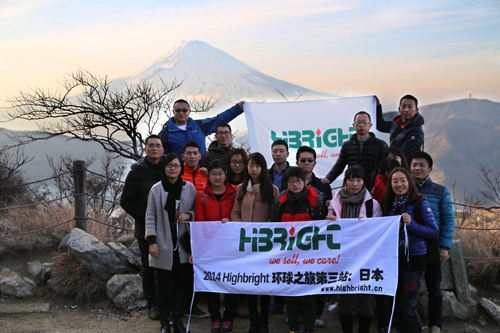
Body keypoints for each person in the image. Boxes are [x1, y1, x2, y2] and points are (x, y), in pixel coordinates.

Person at [381, 168, 439, 333]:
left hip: (414, 260)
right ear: (390, 184)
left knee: (408, 306)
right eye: (395, 181)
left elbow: (433, 231)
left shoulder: (421, 203)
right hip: (393, 260)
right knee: (397, 305)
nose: (399, 184)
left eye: (402, 180)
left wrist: (411, 224)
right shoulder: (388, 205)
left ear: (410, 182)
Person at [326, 165, 382, 333]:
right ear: (345, 181)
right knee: (344, 304)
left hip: (365, 259)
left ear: (364, 181)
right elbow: (329, 229)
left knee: (366, 305)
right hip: (342, 259)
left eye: (359, 180)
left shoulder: (373, 204)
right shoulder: (335, 201)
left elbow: (378, 231)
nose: (355, 184)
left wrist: (367, 227)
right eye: (351, 180)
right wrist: (330, 220)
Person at [144, 153, 197, 333]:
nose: (173, 168)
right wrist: (152, 241)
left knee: (181, 285)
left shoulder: (189, 188)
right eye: (169, 165)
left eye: (176, 165)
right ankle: (165, 321)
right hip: (163, 244)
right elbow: (150, 216)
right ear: (164, 167)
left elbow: (196, 212)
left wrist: (189, 215)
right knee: (163, 286)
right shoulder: (156, 189)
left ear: (181, 167)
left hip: (183, 245)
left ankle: (178, 319)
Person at [271, 167, 326, 333]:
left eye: (299, 181)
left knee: (308, 295)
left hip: (310, 257)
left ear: (305, 182)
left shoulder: (315, 200)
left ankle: (309, 328)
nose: (296, 185)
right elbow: (274, 228)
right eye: (291, 181)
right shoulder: (280, 202)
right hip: (288, 257)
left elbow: (323, 229)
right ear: (286, 184)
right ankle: (293, 328)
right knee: (291, 293)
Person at [230, 153, 280, 333]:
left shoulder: (272, 189)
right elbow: (235, 213)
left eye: (257, 166)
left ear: (263, 168)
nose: (253, 169)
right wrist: (242, 228)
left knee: (264, 283)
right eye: (251, 165)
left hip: (265, 243)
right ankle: (253, 322)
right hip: (245, 243)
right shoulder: (241, 188)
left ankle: (264, 321)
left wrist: (262, 231)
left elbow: (274, 216)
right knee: (249, 283)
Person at [120, 134, 164, 321]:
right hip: (145, 229)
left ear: (163, 149)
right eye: (151, 145)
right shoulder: (136, 172)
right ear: (145, 149)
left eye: (158, 146)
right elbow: (126, 201)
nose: (155, 148)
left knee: (167, 268)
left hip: (169, 228)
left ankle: (167, 303)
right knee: (149, 269)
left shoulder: (168, 168)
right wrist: (146, 217)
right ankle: (152, 305)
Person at [410, 151, 455, 333]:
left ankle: (435, 323)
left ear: (430, 169)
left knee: (434, 287)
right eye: (414, 165)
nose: (418, 168)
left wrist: (444, 246)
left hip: (432, 245)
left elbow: (448, 220)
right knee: (409, 286)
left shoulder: (440, 191)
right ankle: (408, 320)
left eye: (422, 165)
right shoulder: (404, 188)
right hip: (410, 245)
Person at [195, 160, 238, 333]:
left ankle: (228, 317)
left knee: (231, 282)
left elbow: (239, 216)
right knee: (212, 283)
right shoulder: (202, 196)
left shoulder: (235, 193)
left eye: (220, 173)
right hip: (210, 246)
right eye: (214, 174)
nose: (217, 177)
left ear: (225, 174)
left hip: (232, 246)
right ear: (209, 176)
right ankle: (215, 317)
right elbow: (199, 223)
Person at [295, 145, 332, 327]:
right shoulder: (290, 183)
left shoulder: (323, 186)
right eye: (303, 160)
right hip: (295, 241)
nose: (306, 164)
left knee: (316, 276)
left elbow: (330, 211)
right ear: (296, 162)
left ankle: (317, 313)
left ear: (315, 163)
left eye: (310, 160)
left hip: (318, 239)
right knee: (297, 277)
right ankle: (299, 313)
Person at [321, 111, 387, 187]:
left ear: (370, 125)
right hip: (353, 186)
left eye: (365, 122)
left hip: (372, 186)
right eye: (358, 122)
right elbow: (339, 166)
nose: (361, 125)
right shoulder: (347, 145)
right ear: (354, 125)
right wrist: (328, 178)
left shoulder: (381, 145)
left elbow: (383, 169)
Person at [159, 99, 245, 157]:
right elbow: (162, 156)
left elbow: (219, 119)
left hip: (202, 173)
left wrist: (237, 109)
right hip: (180, 176)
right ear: (173, 112)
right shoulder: (166, 133)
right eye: (178, 110)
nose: (181, 112)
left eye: (184, 110)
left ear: (189, 111)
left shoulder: (199, 126)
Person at [376, 95, 424, 161]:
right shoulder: (396, 124)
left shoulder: (416, 132)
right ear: (399, 109)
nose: (406, 110)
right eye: (403, 107)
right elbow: (380, 125)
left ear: (416, 110)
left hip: (404, 169)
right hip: (394, 165)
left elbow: (404, 155)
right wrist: (378, 106)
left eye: (410, 107)